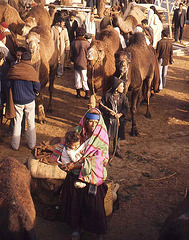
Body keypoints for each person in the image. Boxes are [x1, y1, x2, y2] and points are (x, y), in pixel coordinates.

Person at [53, 108, 109, 240]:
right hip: (74, 174)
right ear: (86, 121)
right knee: (74, 202)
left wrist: (77, 165)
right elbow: (65, 145)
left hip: (91, 176)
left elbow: (100, 159)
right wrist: (63, 161)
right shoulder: (77, 132)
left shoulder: (101, 137)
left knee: (93, 204)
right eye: (90, 122)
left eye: (95, 123)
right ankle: (76, 228)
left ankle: (96, 231)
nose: (92, 125)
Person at [6, 51, 41, 151]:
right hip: (30, 101)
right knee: (31, 122)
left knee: (17, 122)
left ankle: (15, 145)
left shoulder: (14, 69)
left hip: (17, 101)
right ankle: (31, 144)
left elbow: (8, 84)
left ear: (20, 59)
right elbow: (37, 87)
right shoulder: (32, 71)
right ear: (30, 60)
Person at [100, 77, 129, 159]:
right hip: (109, 120)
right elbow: (101, 107)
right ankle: (106, 151)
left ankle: (117, 150)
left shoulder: (123, 97)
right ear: (116, 87)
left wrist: (120, 114)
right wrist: (109, 112)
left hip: (119, 120)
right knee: (107, 136)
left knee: (117, 136)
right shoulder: (107, 95)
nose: (123, 88)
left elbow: (126, 108)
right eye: (121, 86)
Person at [70, 27, 90, 99]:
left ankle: (78, 93)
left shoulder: (74, 43)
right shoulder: (87, 44)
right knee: (84, 78)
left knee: (77, 78)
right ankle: (87, 93)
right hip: (85, 64)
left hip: (76, 63)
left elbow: (71, 54)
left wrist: (73, 60)